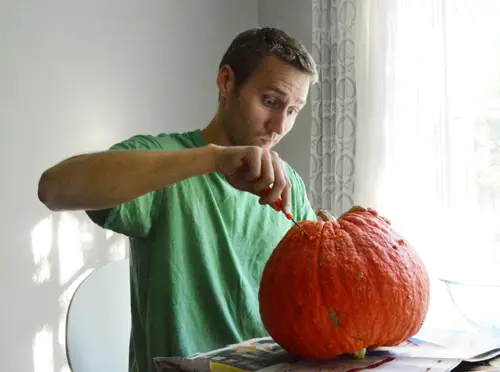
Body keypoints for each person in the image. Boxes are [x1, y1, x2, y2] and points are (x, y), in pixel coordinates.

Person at [38, 27, 319, 372]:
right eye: (271, 102)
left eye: (293, 111)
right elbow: (53, 188)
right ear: (227, 82)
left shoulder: (286, 182)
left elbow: (318, 292)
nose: (279, 126)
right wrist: (213, 159)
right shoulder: (163, 159)